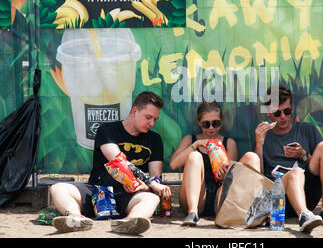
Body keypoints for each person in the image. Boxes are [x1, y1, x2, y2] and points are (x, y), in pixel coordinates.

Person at [49, 91, 171, 235]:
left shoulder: (155, 139)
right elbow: (118, 161)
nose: (151, 123)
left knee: (151, 198)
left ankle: (130, 222)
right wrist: (150, 182)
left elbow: (155, 176)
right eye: (148, 117)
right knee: (58, 188)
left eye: (155, 119)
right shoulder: (107, 130)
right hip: (98, 191)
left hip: (130, 196)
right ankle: (75, 218)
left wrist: (146, 186)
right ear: (134, 111)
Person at [254, 85, 323, 233]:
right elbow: (258, 174)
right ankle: (304, 215)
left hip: (308, 192)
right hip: (277, 201)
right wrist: (259, 144)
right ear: (268, 113)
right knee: (295, 173)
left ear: (292, 108)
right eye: (277, 113)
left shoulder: (306, 130)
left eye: (287, 111)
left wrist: (303, 155)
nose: (282, 117)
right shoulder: (263, 135)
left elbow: (321, 166)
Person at [170, 101, 260, 226]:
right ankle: (193, 213)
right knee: (195, 156)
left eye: (215, 123)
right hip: (195, 196)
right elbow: (174, 164)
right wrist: (195, 145)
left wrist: (224, 174)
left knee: (251, 157)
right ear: (199, 123)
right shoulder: (190, 140)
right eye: (206, 124)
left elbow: (230, 178)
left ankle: (252, 211)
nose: (211, 128)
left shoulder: (229, 142)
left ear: (221, 122)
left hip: (220, 195)